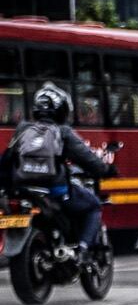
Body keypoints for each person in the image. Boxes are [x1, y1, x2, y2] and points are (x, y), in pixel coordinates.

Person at [0, 83, 114, 268]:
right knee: (93, 205)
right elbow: (88, 159)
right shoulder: (63, 132)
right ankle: (83, 251)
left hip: (22, 190)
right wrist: (106, 170)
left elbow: (6, 159)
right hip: (55, 191)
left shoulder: (22, 130)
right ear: (62, 110)